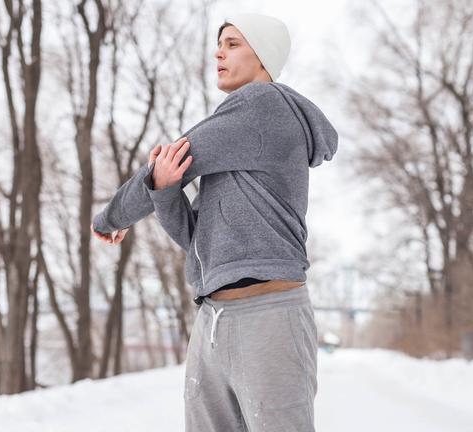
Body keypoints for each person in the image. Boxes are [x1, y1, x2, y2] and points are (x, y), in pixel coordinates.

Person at [92, 12, 338, 432]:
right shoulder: (237, 143)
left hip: (267, 316)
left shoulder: (261, 105)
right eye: (219, 44)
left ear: (263, 55)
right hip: (213, 317)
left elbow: (172, 157)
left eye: (233, 44)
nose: (218, 54)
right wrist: (164, 189)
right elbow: (195, 238)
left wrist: (110, 217)